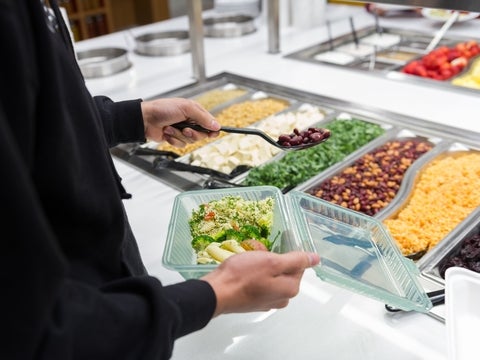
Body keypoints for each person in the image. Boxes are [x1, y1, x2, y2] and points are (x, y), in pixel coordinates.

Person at [1, 1, 320, 359]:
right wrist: (217, 293)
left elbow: (37, 116)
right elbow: (33, 335)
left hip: (115, 297)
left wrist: (129, 118)